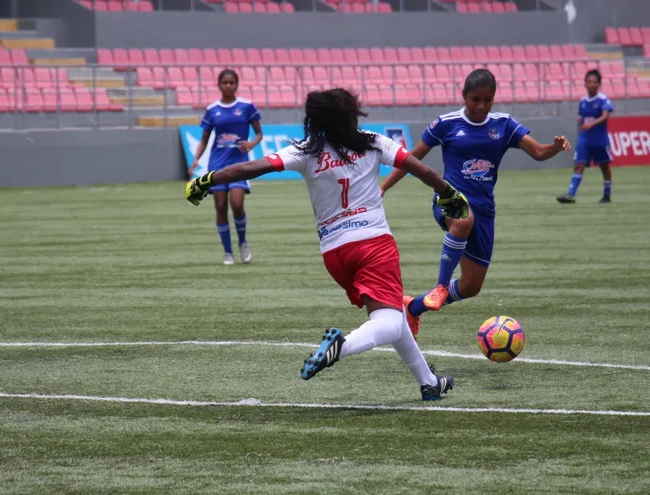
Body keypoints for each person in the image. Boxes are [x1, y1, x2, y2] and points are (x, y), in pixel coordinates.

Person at [185, 88, 470, 400]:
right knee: (388, 320)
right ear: (352, 115)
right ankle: (340, 347)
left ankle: (429, 383)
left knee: (394, 315)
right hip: (374, 245)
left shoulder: (306, 150)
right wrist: (448, 193)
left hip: (335, 253)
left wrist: (208, 179)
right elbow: (423, 170)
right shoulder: (373, 141)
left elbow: (252, 167)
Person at [380, 69, 570, 335]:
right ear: (464, 96)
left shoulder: (504, 125)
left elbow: (538, 152)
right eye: (475, 99)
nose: (481, 106)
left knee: (471, 287)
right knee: (462, 218)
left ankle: (413, 307)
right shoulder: (446, 123)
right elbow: (411, 159)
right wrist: (383, 187)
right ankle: (441, 286)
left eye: (487, 100)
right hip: (448, 196)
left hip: (484, 209)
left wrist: (554, 147)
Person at [188, 69, 263, 265]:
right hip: (217, 163)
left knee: (237, 204)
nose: (228, 86)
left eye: (232, 82)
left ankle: (243, 242)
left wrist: (251, 144)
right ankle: (228, 253)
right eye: (225, 83)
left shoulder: (247, 106)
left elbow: (259, 134)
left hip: (239, 162)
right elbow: (204, 140)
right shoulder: (212, 109)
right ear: (219, 85)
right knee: (220, 206)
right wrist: (196, 159)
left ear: (237, 84)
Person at [556, 69, 614, 204]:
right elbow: (582, 118)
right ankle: (570, 195)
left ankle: (607, 195)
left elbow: (605, 116)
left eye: (594, 82)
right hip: (585, 139)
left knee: (604, 167)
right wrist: (581, 123)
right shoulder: (583, 101)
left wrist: (591, 124)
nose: (592, 84)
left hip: (599, 139)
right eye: (589, 82)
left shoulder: (603, 99)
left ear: (599, 84)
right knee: (579, 164)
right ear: (585, 84)